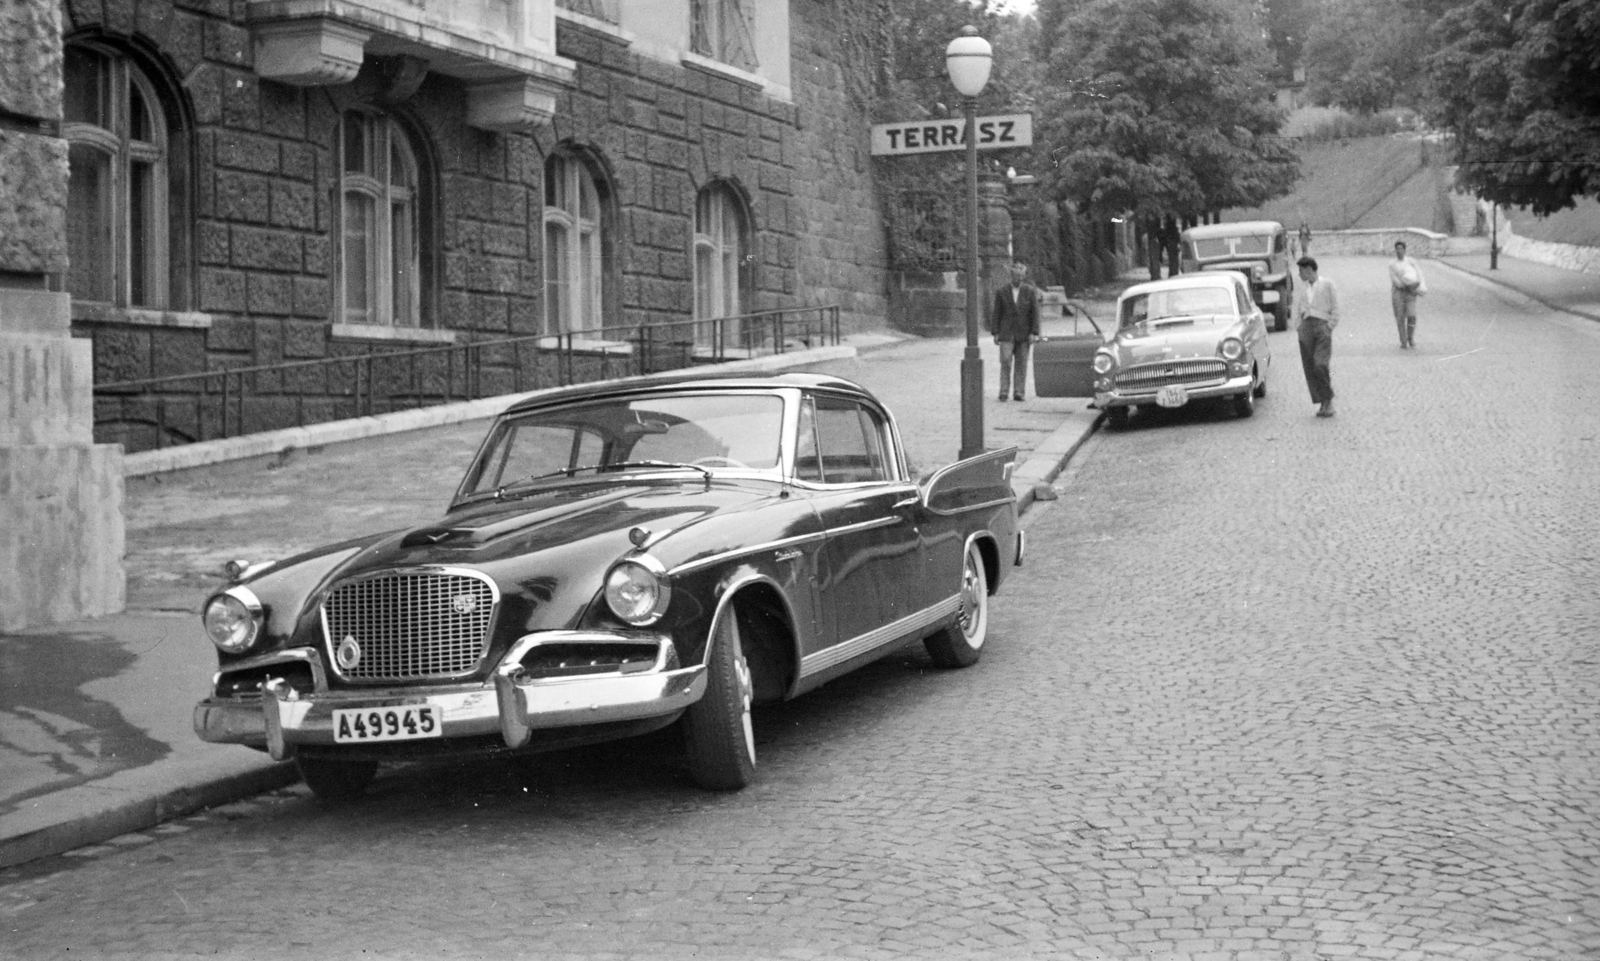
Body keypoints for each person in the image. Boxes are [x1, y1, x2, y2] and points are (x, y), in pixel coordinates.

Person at [986, 260, 1042, 402]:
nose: (1019, 279)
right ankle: (1004, 391)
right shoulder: (1001, 292)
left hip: (1024, 333)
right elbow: (996, 313)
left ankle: (1019, 392)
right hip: (1006, 333)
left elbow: (1035, 313)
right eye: (1017, 276)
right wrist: (995, 332)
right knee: (1005, 361)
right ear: (1011, 276)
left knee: (1021, 363)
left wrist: (1034, 332)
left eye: (1022, 276)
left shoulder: (1029, 291)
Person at [1294, 256, 1339, 418]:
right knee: (1310, 368)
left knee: (1320, 365)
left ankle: (1329, 399)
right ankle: (1322, 402)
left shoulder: (1327, 285)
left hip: (1322, 327)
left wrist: (1329, 327)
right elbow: (1299, 310)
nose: (1299, 274)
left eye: (1301, 271)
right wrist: (1299, 328)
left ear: (1309, 269)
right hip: (1306, 328)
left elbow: (1335, 309)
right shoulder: (1304, 289)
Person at [1387, 240, 1427, 348]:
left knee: (1412, 315)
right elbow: (1395, 280)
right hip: (1399, 292)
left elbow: (1418, 273)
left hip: (1411, 291)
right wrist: (1406, 285)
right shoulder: (1392, 264)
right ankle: (1403, 340)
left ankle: (1410, 336)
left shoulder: (1411, 261)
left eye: (1401, 249)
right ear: (1395, 250)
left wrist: (1418, 285)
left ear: (1405, 250)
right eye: (1397, 249)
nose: (1399, 251)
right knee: (1400, 317)